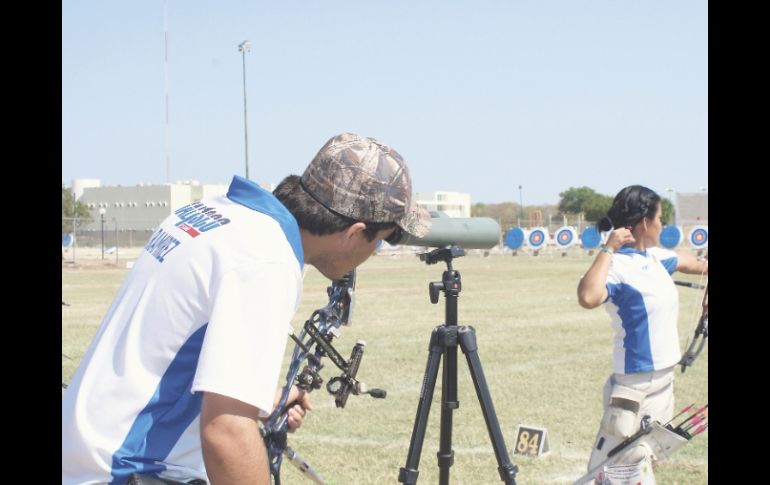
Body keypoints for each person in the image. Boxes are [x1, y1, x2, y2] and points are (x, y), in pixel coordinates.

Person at [62, 132, 431, 485]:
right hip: (121, 472)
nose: (372, 254)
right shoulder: (266, 260)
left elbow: (165, 351)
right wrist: (237, 413)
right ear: (354, 232)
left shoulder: (212, 213)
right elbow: (226, 431)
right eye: (379, 243)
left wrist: (255, 395)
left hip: (84, 458)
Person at [576, 185, 707, 479]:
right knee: (613, 468)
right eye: (660, 218)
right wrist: (608, 248)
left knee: (643, 462)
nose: (663, 225)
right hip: (634, 385)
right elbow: (587, 296)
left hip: (663, 382)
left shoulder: (656, 257)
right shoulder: (615, 265)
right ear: (645, 222)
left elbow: (694, 264)